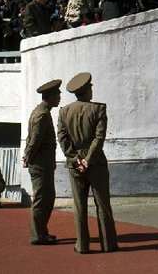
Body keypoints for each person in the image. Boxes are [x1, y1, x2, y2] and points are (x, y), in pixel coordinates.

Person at [57, 72, 118, 253]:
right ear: (86, 90)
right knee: (103, 205)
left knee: (80, 206)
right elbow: (99, 138)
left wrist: (75, 159)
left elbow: (62, 138)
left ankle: (82, 245)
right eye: (90, 88)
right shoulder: (99, 109)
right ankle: (108, 244)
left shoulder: (64, 111)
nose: (92, 90)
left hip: (74, 165)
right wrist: (88, 160)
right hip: (96, 162)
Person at [23, 79, 62, 245]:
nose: (59, 98)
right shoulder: (42, 114)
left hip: (42, 164)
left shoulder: (40, 111)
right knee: (42, 199)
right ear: (51, 97)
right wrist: (28, 157)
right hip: (40, 165)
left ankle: (41, 232)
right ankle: (38, 235)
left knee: (47, 197)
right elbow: (35, 140)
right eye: (57, 95)